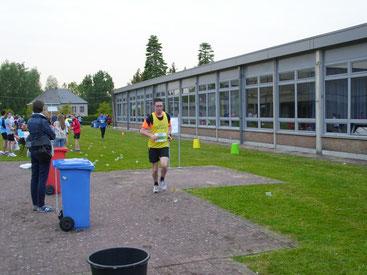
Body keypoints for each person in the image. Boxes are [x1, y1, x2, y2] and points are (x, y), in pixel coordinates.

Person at [27, 100, 56, 213]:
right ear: (42, 108)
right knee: (42, 178)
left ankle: (35, 204)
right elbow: (52, 135)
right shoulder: (43, 121)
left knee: (34, 177)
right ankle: (41, 205)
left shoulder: (29, 120)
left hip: (33, 150)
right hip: (43, 151)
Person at [140, 98, 172, 193]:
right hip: (153, 146)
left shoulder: (167, 116)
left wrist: (169, 134)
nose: (159, 108)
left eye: (161, 106)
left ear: (163, 106)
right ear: (154, 107)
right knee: (154, 170)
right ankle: (155, 184)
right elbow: (142, 130)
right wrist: (151, 135)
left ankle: (162, 179)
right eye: (157, 106)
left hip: (164, 145)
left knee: (164, 165)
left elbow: (169, 127)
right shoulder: (150, 118)